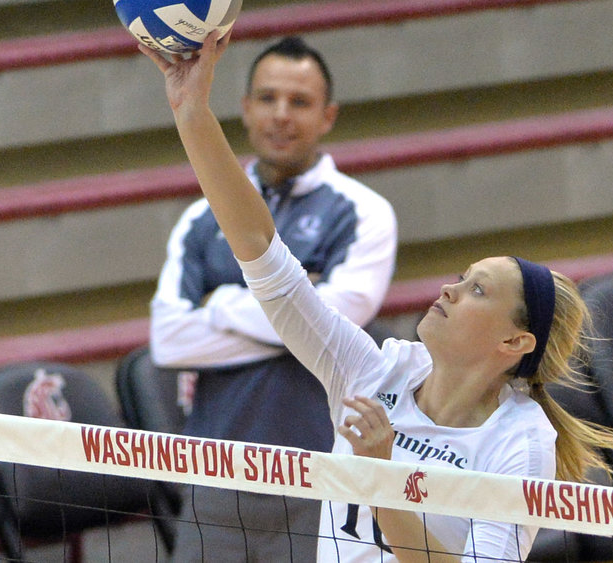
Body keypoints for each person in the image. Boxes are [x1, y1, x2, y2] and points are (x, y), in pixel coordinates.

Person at [140, 32, 613, 562]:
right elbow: (264, 256)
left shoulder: (521, 439)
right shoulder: (373, 375)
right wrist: (191, 113)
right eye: (463, 276)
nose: (450, 288)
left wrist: (382, 480)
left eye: (477, 290)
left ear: (514, 340)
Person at [148, 36, 398, 561]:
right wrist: (298, 315)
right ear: (244, 109)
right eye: (267, 98)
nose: (281, 115)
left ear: (328, 116)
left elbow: (344, 317)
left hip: (320, 476)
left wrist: (218, 305)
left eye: (299, 102)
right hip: (216, 474)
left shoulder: (364, 212)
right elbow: (169, 340)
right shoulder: (200, 217)